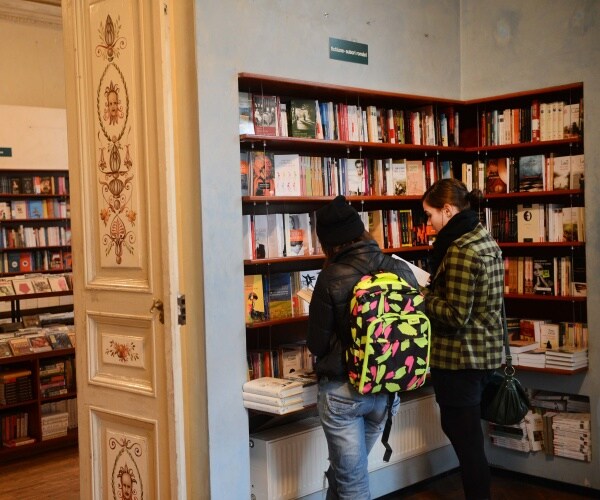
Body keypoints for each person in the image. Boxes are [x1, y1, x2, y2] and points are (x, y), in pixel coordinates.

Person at [307, 195, 418, 500]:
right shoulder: (399, 268)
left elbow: (316, 344)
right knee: (344, 474)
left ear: (329, 242)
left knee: (352, 482)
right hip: (388, 391)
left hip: (344, 394)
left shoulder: (330, 276)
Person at [420, 178, 504, 500]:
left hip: (460, 360)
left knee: (468, 447)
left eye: (430, 216)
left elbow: (455, 314)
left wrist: (422, 297)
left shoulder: (459, 250)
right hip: (483, 356)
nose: (428, 225)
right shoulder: (483, 238)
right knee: (469, 442)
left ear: (448, 210)